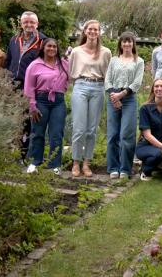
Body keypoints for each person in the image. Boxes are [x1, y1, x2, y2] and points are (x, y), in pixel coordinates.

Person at [68, 20, 112, 178]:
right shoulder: (76, 51)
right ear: (85, 31)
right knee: (79, 128)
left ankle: (86, 163)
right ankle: (75, 162)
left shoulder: (106, 52)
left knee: (91, 130)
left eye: (96, 30)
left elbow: (108, 74)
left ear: (99, 32)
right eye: (90, 29)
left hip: (98, 87)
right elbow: (71, 72)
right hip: (80, 86)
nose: (93, 32)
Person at [4, 11, 47, 162]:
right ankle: (10, 154)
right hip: (12, 86)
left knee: (28, 122)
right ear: (21, 24)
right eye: (25, 22)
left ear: (37, 24)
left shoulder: (43, 42)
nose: (29, 25)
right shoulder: (14, 40)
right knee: (13, 120)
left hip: (32, 87)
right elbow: (8, 61)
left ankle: (24, 156)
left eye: (32, 22)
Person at [23, 39, 69, 175]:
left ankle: (55, 165)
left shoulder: (64, 64)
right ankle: (34, 162)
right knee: (38, 132)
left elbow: (70, 78)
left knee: (56, 133)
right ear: (43, 48)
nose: (52, 49)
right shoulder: (35, 65)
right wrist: (32, 105)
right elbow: (28, 87)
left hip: (58, 102)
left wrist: (63, 88)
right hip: (40, 101)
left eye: (55, 46)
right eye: (49, 46)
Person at [105, 32, 144, 180]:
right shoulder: (114, 60)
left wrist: (121, 95)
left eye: (129, 42)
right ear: (120, 44)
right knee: (113, 134)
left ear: (133, 44)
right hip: (112, 97)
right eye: (124, 42)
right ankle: (113, 167)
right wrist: (114, 97)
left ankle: (125, 169)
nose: (127, 44)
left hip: (129, 99)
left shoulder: (138, 61)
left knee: (126, 134)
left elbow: (137, 83)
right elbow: (107, 80)